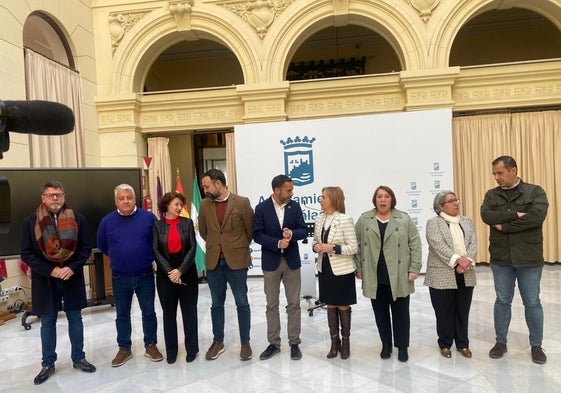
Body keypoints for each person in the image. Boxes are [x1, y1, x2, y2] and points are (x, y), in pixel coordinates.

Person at [20, 181, 96, 385]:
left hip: (72, 277)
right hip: (45, 279)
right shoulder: (30, 222)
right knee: (48, 321)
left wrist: (71, 268)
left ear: (64, 197)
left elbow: (86, 248)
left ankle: (79, 358)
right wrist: (52, 270)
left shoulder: (77, 218)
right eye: (51, 195)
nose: (55, 198)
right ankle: (47, 363)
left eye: (59, 195)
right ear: (43, 198)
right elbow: (26, 254)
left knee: (75, 318)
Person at [480, 155, 549, 364]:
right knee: (502, 301)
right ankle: (501, 342)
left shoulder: (535, 191)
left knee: (532, 302)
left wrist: (506, 225)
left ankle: (536, 345)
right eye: (494, 174)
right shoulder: (491, 195)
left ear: (513, 170)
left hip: (529, 259)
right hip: (501, 258)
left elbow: (536, 217)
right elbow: (486, 216)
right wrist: (516, 215)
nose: (496, 178)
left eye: (500, 173)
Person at [97, 184, 163, 367]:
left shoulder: (149, 218)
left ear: (135, 199)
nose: (126, 201)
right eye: (121, 198)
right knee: (122, 315)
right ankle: (124, 348)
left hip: (145, 276)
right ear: (115, 200)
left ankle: (151, 345)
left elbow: (157, 242)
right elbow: (102, 245)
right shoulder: (106, 222)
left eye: (129, 197)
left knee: (149, 312)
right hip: (120, 277)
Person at [354, 185, 422, 362]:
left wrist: (414, 268)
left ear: (392, 199)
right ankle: (386, 344)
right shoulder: (365, 220)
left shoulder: (403, 219)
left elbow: (415, 244)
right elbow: (356, 245)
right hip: (375, 275)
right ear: (374, 200)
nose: (383, 200)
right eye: (379, 197)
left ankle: (402, 347)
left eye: (386, 196)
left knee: (401, 313)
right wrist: (358, 268)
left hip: (399, 274)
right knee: (380, 313)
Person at [198, 169, 254, 361]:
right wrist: (218, 246)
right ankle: (218, 340)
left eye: (206, 186)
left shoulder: (242, 202)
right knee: (216, 304)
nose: (204, 189)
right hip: (214, 261)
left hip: (237, 260)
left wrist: (234, 246)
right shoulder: (205, 205)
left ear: (218, 184)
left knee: (242, 302)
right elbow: (204, 232)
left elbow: (249, 231)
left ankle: (245, 342)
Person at [253, 174, 308, 361]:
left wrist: (292, 233)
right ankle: (274, 343)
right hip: (271, 263)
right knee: (271, 305)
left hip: (292, 262)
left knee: (294, 304)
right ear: (277, 190)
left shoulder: (295, 206)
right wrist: (277, 243)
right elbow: (257, 235)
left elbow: (303, 230)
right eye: (289, 190)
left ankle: (294, 343)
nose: (292, 193)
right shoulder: (261, 208)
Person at [424, 191, 477, 359]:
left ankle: (463, 343)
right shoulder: (434, 223)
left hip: (466, 272)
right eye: (451, 201)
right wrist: (457, 261)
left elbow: (473, 242)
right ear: (441, 206)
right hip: (442, 273)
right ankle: (445, 343)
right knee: (444, 311)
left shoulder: (467, 221)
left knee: (463, 310)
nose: (456, 203)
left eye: (456, 200)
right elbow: (437, 245)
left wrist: (467, 261)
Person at [152, 191, 199, 364]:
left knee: (189, 312)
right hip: (166, 276)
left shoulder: (187, 223)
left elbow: (192, 248)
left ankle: (192, 349)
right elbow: (156, 250)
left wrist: (180, 270)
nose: (179, 208)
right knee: (168, 314)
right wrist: (171, 272)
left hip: (187, 272)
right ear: (167, 206)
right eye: (176, 205)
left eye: (181, 205)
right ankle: (171, 351)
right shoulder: (157, 226)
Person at [312, 186, 358, 359]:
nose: (320, 200)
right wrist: (316, 246)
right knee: (330, 304)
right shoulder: (319, 219)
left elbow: (353, 247)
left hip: (342, 271)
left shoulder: (345, 219)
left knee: (342, 305)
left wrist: (333, 247)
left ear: (333, 198)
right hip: (325, 269)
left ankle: (345, 343)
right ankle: (334, 343)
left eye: (323, 197)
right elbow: (316, 242)